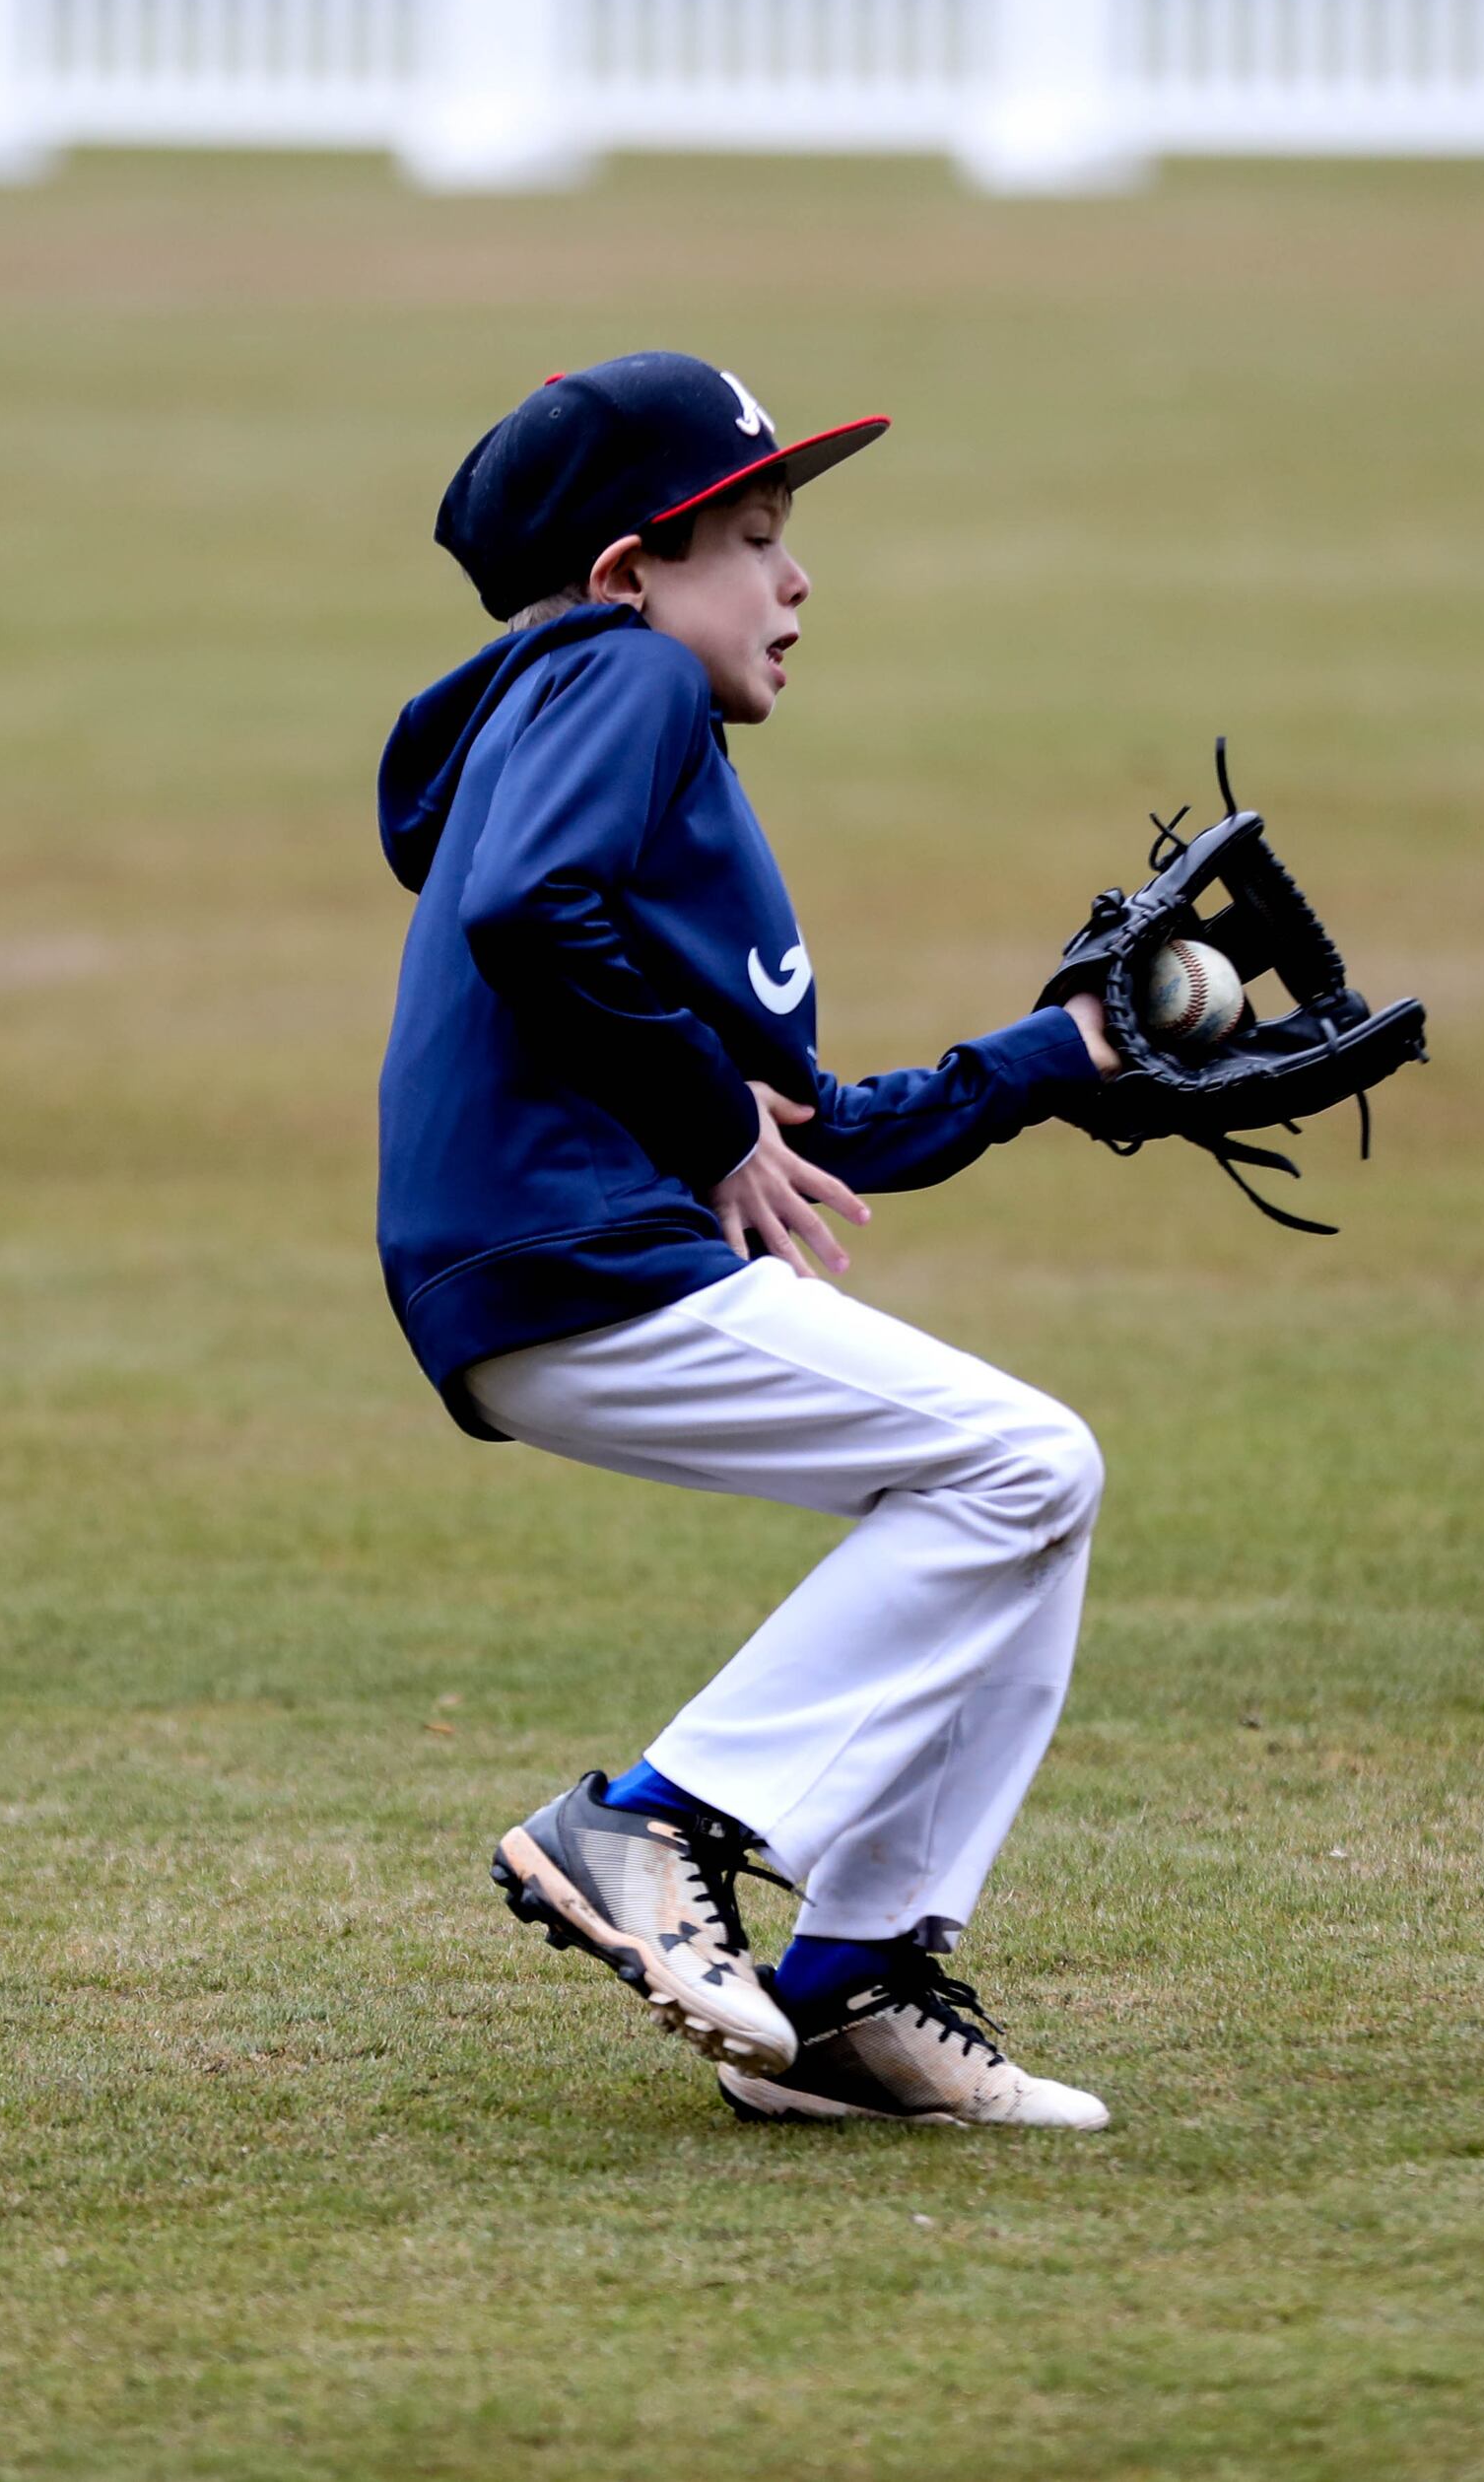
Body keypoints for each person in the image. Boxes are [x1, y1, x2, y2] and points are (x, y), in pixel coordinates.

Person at [373, 352, 1122, 2129]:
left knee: (1021, 1493)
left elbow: (797, 1142)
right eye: (755, 539)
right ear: (632, 573)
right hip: (567, 1251)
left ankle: (858, 1986)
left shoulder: (628, 757)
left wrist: (1069, 1060)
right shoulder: (622, 681)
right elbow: (519, 915)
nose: (796, 584)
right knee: (1024, 1464)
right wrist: (713, 1125)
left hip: (570, 1263)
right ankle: (648, 1824)